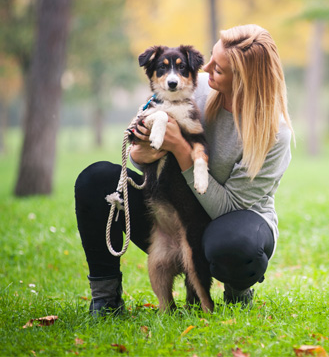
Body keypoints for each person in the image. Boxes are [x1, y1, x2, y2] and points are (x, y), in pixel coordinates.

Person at [75, 24, 293, 316]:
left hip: (231, 221)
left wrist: (180, 148)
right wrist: (142, 149)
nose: (205, 68)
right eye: (212, 56)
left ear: (243, 80)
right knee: (96, 179)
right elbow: (138, 151)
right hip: (168, 207)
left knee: (234, 243)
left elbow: (230, 207)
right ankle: (106, 298)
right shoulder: (188, 84)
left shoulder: (273, 132)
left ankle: (237, 287)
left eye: (219, 68)